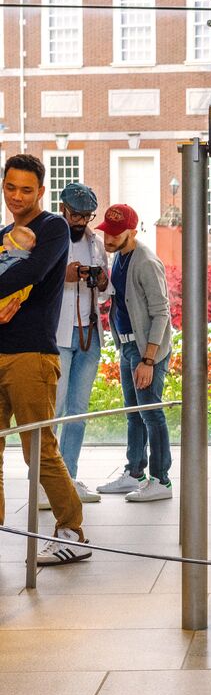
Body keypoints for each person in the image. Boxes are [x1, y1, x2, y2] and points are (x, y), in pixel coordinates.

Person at [0, 153, 90, 566]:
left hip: (31, 354)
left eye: (26, 189)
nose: (17, 196)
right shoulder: (4, 234)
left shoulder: (52, 227)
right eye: (10, 187)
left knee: (38, 450)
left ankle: (72, 532)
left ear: (41, 191)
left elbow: (30, 273)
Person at [94, 205, 174, 503]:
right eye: (107, 232)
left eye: (116, 233)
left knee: (151, 414)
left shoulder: (146, 262)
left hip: (146, 351)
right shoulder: (119, 258)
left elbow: (161, 312)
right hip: (129, 347)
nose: (109, 238)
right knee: (133, 414)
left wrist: (148, 360)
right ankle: (135, 473)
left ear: (132, 230)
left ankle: (161, 480)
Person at [51, 182, 110, 505]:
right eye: (76, 214)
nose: (80, 221)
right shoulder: (48, 236)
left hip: (87, 334)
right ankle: (47, 480)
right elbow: (35, 279)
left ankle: (69, 477)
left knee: (78, 411)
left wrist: (100, 280)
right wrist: (64, 275)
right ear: (62, 208)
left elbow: (105, 289)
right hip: (57, 335)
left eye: (86, 216)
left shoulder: (94, 242)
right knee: (55, 410)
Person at [0, 225, 37, 310]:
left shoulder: (12, 259)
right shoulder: (24, 258)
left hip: (5, 301)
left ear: (15, 247)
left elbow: (2, 267)